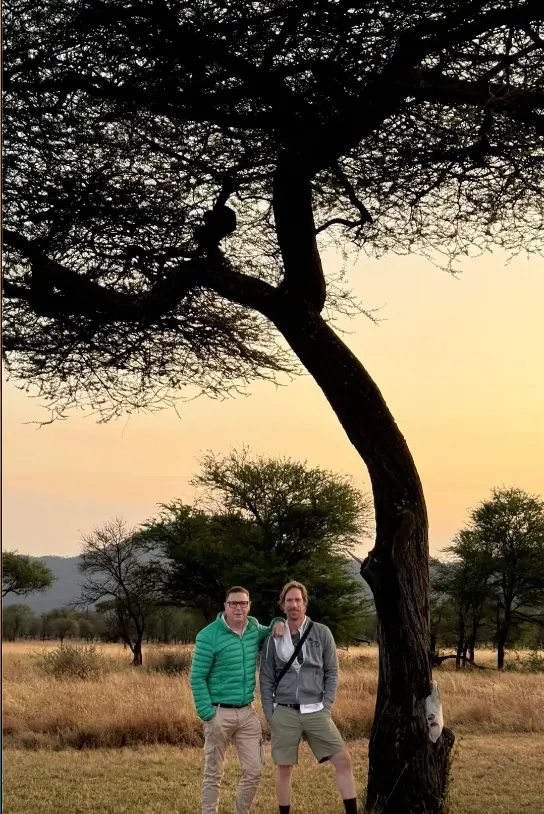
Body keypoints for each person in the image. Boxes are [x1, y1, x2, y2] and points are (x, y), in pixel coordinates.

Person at [260, 581, 358, 814]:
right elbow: (265, 677)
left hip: (316, 709)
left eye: (298, 600)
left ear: (305, 604)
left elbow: (332, 671)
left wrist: (327, 705)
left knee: (343, 760)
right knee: (284, 769)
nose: (293, 605)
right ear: (282, 605)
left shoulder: (321, 632)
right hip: (284, 710)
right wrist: (269, 713)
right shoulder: (274, 638)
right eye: (289, 600)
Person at [190, 586, 285, 814]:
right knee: (213, 772)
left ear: (249, 605)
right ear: (225, 606)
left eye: (243, 603)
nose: (239, 608)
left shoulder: (253, 627)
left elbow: (270, 628)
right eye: (234, 603)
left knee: (254, 770)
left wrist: (279, 621)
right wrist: (207, 713)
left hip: (246, 713)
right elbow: (197, 677)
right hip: (218, 713)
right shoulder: (208, 635)